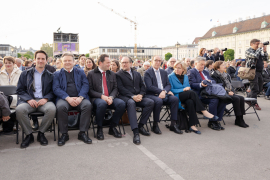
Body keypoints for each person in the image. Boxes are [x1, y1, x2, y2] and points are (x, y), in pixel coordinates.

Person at [16, 50, 56, 148]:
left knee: (52, 109)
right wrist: (29, 99)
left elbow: (53, 91)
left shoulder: (51, 75)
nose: (40, 61)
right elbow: (20, 90)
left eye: (43, 59)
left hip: (44, 101)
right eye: (38, 58)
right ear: (34, 60)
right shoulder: (25, 74)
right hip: (29, 101)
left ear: (46, 61)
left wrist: (46, 99)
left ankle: (41, 133)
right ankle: (29, 135)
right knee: (20, 110)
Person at [53, 53, 92, 146]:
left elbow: (86, 85)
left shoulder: (80, 72)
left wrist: (81, 97)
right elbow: (56, 88)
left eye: (69, 60)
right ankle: (64, 134)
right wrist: (68, 98)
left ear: (74, 62)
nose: (67, 62)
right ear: (62, 62)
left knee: (87, 105)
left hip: (79, 98)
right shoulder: (57, 74)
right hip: (64, 99)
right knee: (61, 107)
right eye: (65, 60)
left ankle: (82, 133)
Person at [169, 61, 218, 134]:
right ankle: (204, 111)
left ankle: (192, 125)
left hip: (186, 95)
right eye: (175, 68)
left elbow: (188, 87)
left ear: (183, 69)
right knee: (192, 93)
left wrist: (186, 89)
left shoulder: (185, 76)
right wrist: (182, 89)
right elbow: (171, 90)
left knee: (190, 102)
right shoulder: (170, 76)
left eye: (179, 68)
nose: (176, 69)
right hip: (177, 96)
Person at [116, 57, 154, 144]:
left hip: (138, 96)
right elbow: (121, 88)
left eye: (126, 62)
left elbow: (142, 86)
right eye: (122, 63)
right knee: (131, 103)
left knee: (150, 102)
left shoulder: (137, 74)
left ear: (131, 63)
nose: (124, 64)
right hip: (126, 97)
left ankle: (141, 126)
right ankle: (135, 132)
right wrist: (133, 96)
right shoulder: (118, 74)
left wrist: (141, 95)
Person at [87, 54, 126, 140]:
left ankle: (112, 127)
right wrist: (102, 96)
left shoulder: (112, 74)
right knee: (102, 104)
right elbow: (89, 90)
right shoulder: (91, 74)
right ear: (100, 63)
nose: (110, 64)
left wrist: (111, 97)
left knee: (121, 104)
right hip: (97, 99)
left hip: (110, 98)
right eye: (107, 62)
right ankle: (99, 128)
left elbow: (115, 88)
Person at [144, 56, 181, 134]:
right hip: (152, 94)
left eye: (159, 61)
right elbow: (149, 86)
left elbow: (168, 85)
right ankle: (155, 125)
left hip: (164, 94)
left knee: (175, 99)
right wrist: (162, 92)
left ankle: (173, 124)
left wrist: (164, 91)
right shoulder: (147, 72)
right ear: (152, 61)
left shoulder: (163, 72)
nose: (158, 62)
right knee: (158, 101)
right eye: (156, 60)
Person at [187, 57, 226, 131]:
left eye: (204, 65)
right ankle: (212, 121)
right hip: (199, 94)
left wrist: (209, 81)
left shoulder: (205, 72)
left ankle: (217, 120)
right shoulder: (191, 72)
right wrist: (201, 84)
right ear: (195, 63)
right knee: (214, 100)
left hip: (209, 92)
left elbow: (213, 81)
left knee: (223, 99)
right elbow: (191, 84)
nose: (203, 66)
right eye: (201, 64)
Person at [210, 61, 249, 128]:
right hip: (221, 94)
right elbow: (216, 87)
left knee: (241, 98)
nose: (224, 66)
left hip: (228, 93)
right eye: (222, 65)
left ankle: (240, 118)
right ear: (218, 67)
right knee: (236, 99)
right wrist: (227, 92)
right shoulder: (214, 75)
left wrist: (232, 91)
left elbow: (230, 85)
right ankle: (238, 120)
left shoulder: (226, 74)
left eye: (224, 64)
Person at [245, 39, 268, 110]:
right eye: (257, 44)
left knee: (260, 88)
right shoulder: (248, 51)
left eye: (259, 44)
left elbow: (265, 59)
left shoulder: (259, 51)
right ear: (252, 44)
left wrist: (264, 51)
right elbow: (255, 56)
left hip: (259, 72)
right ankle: (254, 103)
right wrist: (260, 48)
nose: (258, 45)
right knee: (255, 88)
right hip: (252, 72)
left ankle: (248, 98)